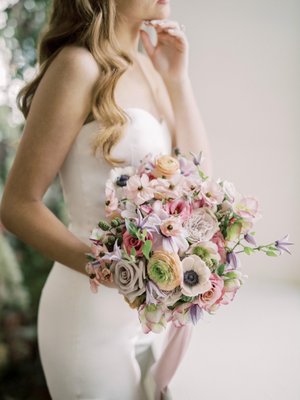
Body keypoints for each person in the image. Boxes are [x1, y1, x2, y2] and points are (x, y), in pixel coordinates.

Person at [0, 0, 213, 399]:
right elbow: (18, 205)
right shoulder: (77, 66)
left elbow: (200, 182)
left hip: (148, 320)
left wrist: (177, 80)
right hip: (88, 317)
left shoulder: (150, 67)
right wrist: (121, 274)